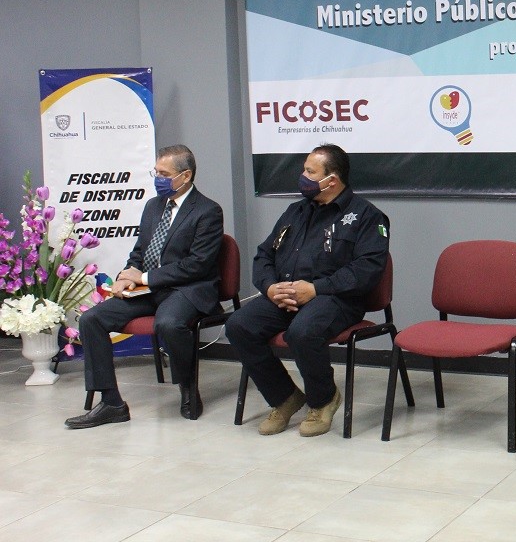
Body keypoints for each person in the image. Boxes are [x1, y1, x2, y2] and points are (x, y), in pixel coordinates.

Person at [226, 143, 389, 438]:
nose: (302, 177)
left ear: (332, 180)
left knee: (302, 332)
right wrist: (270, 287)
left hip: (337, 299)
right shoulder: (296, 211)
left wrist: (315, 289)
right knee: (239, 325)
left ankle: (323, 399)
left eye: (310, 172)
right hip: (286, 295)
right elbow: (264, 255)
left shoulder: (367, 216)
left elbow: (367, 271)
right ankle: (285, 397)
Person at [66, 145, 224, 428]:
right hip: (148, 290)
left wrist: (145, 278)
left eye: (164, 174)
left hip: (187, 289)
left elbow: (197, 265)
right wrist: (127, 276)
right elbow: (140, 251)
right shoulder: (153, 206)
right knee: (92, 319)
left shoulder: (208, 211)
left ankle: (188, 386)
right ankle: (111, 403)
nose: (158, 179)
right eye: (156, 173)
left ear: (186, 176)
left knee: (169, 323)